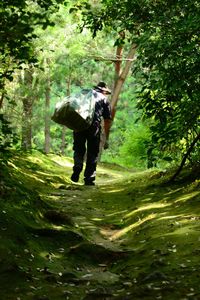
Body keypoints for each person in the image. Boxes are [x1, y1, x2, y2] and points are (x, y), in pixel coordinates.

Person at [71, 81, 112, 186]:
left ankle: (78, 166)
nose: (106, 94)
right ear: (103, 90)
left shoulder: (83, 95)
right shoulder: (103, 99)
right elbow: (107, 120)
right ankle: (89, 178)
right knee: (93, 153)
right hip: (94, 128)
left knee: (78, 148)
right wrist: (106, 136)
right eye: (106, 92)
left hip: (79, 124)